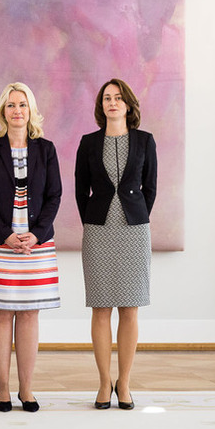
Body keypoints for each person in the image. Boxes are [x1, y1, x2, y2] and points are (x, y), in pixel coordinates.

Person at [0, 82, 62, 413]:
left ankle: (27, 389)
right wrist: (5, 235)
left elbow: (54, 195)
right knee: (1, 313)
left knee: (29, 313)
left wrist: (36, 234)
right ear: (2, 112)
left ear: (30, 110)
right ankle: (2, 389)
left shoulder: (46, 149)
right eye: (10, 105)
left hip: (36, 244)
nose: (17, 110)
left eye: (22, 104)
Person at [74, 78, 157, 411]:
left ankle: (124, 382)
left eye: (118, 97)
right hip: (98, 231)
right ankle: (103, 382)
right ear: (101, 105)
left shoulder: (145, 141)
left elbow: (150, 188)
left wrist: (135, 215)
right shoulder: (88, 143)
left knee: (130, 309)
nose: (112, 103)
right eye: (107, 98)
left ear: (128, 104)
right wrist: (93, 218)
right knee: (100, 308)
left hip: (135, 231)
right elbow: (81, 191)